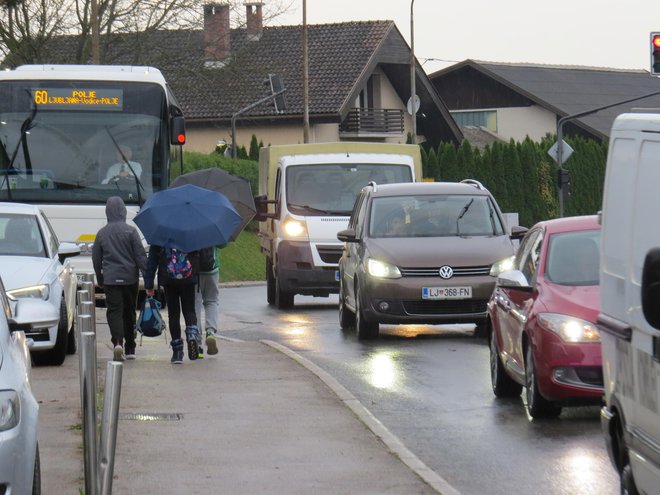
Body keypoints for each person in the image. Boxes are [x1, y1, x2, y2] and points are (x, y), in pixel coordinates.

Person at [92, 196, 147, 361]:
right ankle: (130, 347)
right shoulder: (131, 231)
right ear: (123, 211)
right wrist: (148, 278)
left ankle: (117, 342)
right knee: (129, 311)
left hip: (110, 279)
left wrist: (100, 278)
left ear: (107, 212)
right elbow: (140, 257)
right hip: (130, 279)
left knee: (114, 311)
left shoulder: (101, 234)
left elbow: (96, 259)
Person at [143, 245, 201, 364]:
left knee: (173, 314)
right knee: (189, 310)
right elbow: (199, 254)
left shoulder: (160, 231)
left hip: (169, 277)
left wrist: (149, 284)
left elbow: (152, 260)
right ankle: (191, 335)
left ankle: (177, 352)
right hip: (188, 277)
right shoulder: (190, 229)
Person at [194, 247, 220, 357]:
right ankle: (210, 332)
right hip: (212, 268)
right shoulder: (214, 230)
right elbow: (223, 244)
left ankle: (197, 343)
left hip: (194, 269)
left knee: (195, 304)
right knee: (212, 301)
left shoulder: (190, 229)